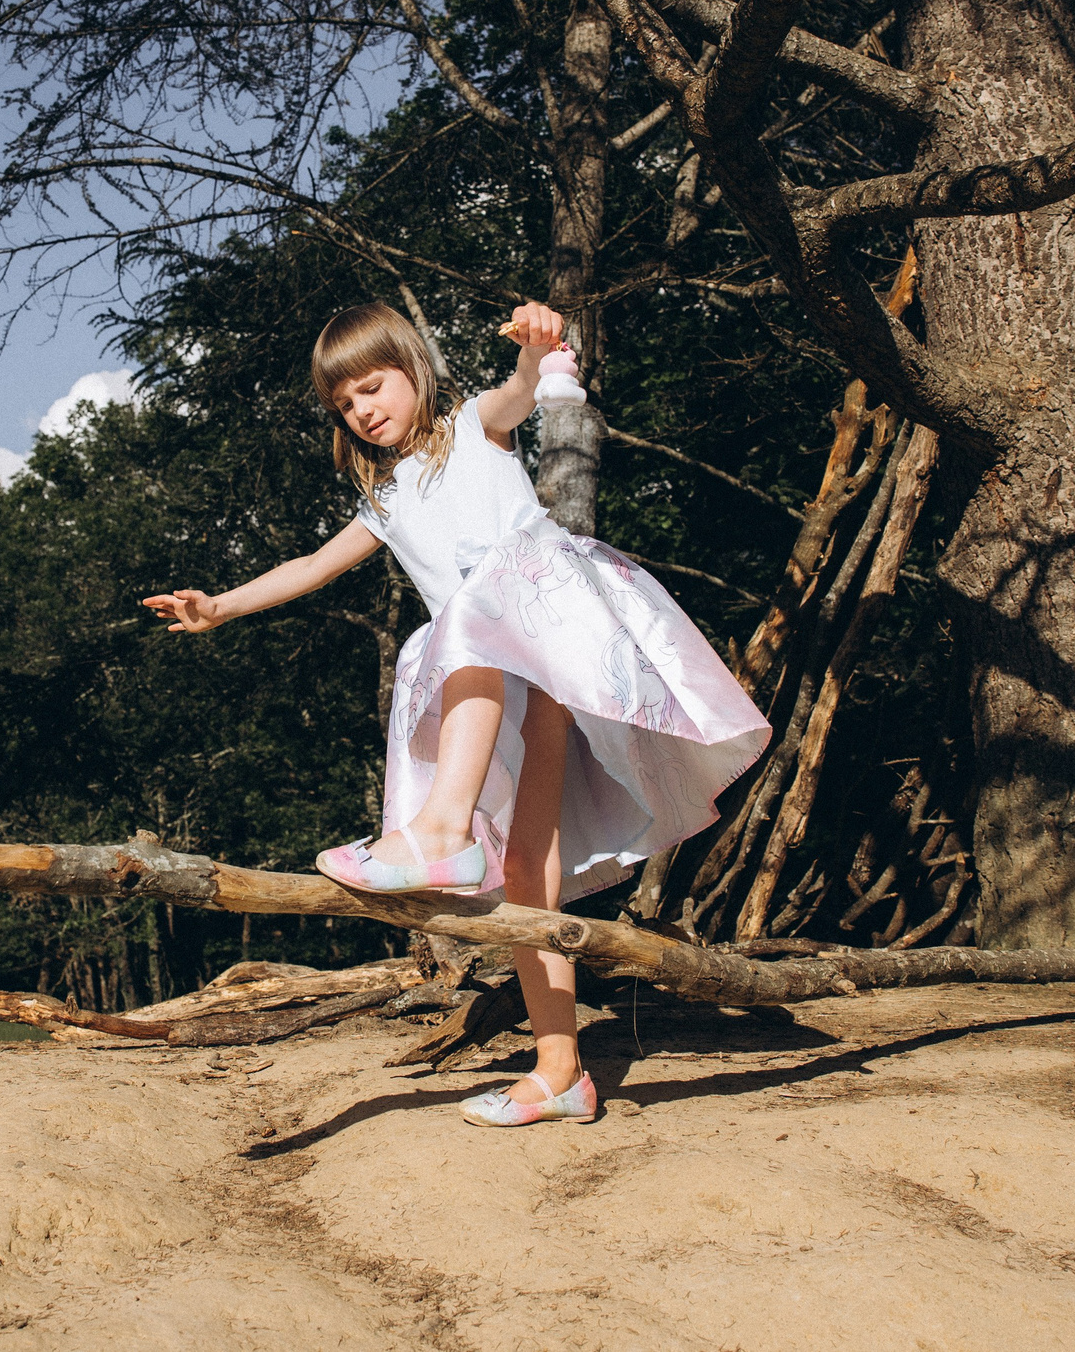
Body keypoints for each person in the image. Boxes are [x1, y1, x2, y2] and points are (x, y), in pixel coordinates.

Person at [143, 303, 770, 1126]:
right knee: (526, 870)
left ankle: (442, 834)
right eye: (346, 405)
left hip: (551, 620)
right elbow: (311, 564)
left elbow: (519, 391)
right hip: (506, 676)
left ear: (412, 366)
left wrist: (539, 351)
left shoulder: (474, 425)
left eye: (372, 387)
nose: (364, 410)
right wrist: (219, 605)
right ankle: (561, 1072)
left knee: (463, 620)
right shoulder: (385, 498)